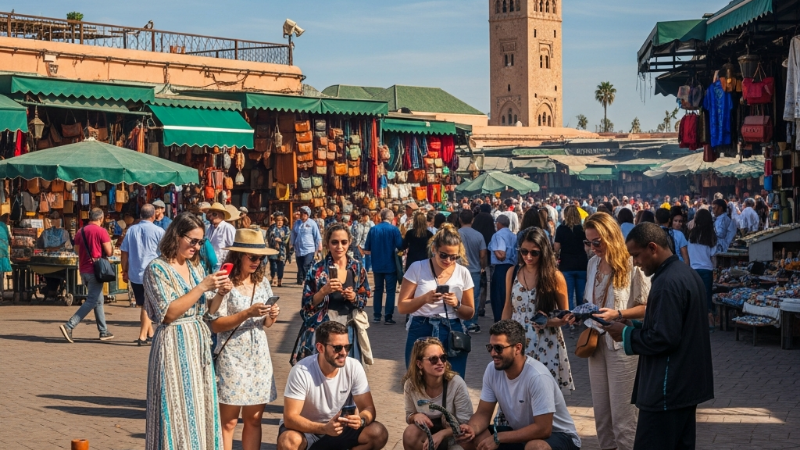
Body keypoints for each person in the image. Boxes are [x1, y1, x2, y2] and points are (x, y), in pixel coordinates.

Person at [605, 222, 714, 450]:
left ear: (652, 247)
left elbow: (664, 338)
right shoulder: (685, 273)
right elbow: (671, 325)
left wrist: (625, 334)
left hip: (667, 388)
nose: (635, 262)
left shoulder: (667, 282)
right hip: (685, 386)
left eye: (636, 255)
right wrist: (633, 325)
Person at [142, 212, 233, 450]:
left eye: (201, 242)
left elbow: (207, 311)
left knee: (199, 407)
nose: (197, 247)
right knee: (174, 408)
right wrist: (202, 286)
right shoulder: (157, 269)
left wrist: (220, 293)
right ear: (176, 236)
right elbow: (168, 313)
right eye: (192, 241)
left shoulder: (195, 267)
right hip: (173, 343)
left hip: (197, 345)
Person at [207, 228, 280, 450]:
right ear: (238, 256)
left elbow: (265, 324)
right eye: (253, 257)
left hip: (258, 358)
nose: (258, 262)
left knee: (254, 420)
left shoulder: (262, 282)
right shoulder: (224, 282)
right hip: (232, 356)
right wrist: (247, 313)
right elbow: (214, 324)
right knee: (228, 422)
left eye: (261, 258)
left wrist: (271, 315)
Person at [582, 213, 650, 450]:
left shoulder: (632, 264)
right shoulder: (592, 264)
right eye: (588, 242)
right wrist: (577, 314)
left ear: (611, 236)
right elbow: (591, 302)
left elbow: (646, 307)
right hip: (595, 343)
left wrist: (618, 313)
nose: (593, 248)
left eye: (597, 242)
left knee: (624, 418)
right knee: (602, 416)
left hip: (622, 345)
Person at [457, 320, 581, 450]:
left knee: (536, 447)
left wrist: (499, 437)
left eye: (498, 348)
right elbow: (483, 413)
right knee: (473, 438)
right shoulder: (492, 369)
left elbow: (543, 429)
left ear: (517, 348)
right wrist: (472, 429)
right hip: (521, 431)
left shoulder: (537, 376)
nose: (493, 353)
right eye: (490, 347)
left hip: (559, 436)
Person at [278, 321, 389, 450]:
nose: (344, 352)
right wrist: (324, 428)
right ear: (320, 348)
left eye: (347, 347)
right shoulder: (301, 371)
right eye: (337, 348)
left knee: (378, 432)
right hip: (305, 430)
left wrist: (362, 420)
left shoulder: (354, 367)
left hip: (336, 428)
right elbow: (290, 418)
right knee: (289, 441)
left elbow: (368, 407)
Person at [502, 227, 575, 392]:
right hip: (517, 341)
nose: (528, 256)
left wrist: (548, 322)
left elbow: (566, 316)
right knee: (516, 392)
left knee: (543, 394)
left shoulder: (554, 276)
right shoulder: (512, 272)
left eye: (534, 253)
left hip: (546, 342)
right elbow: (508, 307)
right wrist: (500, 338)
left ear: (544, 251)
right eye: (524, 251)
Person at [398, 224, 475, 378]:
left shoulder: (463, 272)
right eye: (444, 255)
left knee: (453, 381)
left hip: (451, 328)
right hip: (421, 327)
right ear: (434, 249)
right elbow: (402, 307)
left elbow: (469, 312)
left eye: (454, 257)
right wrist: (424, 299)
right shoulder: (417, 268)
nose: (448, 260)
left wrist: (456, 304)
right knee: (418, 380)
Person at [295, 223, 372, 366]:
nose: (339, 247)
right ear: (327, 243)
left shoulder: (357, 267)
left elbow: (364, 297)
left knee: (347, 373)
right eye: (334, 242)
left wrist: (354, 297)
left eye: (344, 242)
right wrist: (323, 291)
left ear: (349, 242)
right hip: (323, 330)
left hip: (348, 330)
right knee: (323, 374)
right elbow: (306, 306)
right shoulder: (317, 269)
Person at [402, 337, 474, 450]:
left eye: (443, 358)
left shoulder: (456, 383)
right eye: (433, 359)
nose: (440, 363)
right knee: (410, 433)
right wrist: (415, 416)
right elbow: (409, 415)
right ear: (419, 364)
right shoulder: (411, 385)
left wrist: (442, 434)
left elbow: (466, 423)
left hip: (454, 437)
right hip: (426, 436)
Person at [59, 208, 114, 343]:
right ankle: (69, 325)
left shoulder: (81, 231)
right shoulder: (101, 231)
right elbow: (109, 251)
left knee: (98, 300)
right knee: (91, 301)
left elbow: (77, 250)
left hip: (84, 269)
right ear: (101, 219)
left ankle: (103, 331)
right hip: (96, 270)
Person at [121, 204, 165, 346]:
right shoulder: (159, 231)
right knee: (147, 305)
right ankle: (142, 336)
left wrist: (124, 270)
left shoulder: (131, 230)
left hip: (135, 273)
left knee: (144, 304)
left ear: (141, 215)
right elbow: (166, 252)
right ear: (153, 215)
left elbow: (124, 252)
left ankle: (150, 334)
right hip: (152, 273)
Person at [364, 208, 403, 324]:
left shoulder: (373, 229)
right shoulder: (394, 230)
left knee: (378, 289)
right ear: (391, 218)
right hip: (391, 264)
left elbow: (367, 247)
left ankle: (376, 315)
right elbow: (400, 245)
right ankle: (388, 316)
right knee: (390, 291)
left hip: (377, 264)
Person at [687, 209, 721, 331]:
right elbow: (713, 255)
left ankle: (696, 323)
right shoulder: (711, 235)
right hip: (707, 269)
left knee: (695, 296)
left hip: (694, 269)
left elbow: (689, 252)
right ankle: (710, 322)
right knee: (706, 295)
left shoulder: (692, 234)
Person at [459, 209, 488, 334]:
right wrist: (483, 266)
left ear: (460, 220)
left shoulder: (456, 234)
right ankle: (471, 322)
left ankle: (460, 320)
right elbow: (482, 254)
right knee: (474, 297)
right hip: (474, 270)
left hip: (458, 270)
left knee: (459, 296)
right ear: (472, 220)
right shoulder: (479, 235)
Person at [554, 205, 588, 310]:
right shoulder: (583, 229)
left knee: (567, 296)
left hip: (566, 264)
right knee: (582, 296)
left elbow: (556, 247)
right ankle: (582, 316)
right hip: (582, 264)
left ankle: (569, 316)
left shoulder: (561, 229)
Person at [37, 211, 73, 300]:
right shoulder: (46, 233)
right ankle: (52, 289)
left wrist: (51, 249)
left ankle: (52, 290)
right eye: (53, 218)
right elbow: (40, 244)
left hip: (57, 262)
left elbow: (67, 246)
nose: (55, 220)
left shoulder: (64, 233)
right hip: (51, 262)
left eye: (56, 218)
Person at [487, 214, 517, 322]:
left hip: (501, 268)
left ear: (499, 224)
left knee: (499, 297)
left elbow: (501, 255)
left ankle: (500, 320)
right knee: (509, 295)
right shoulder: (513, 236)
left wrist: (495, 251)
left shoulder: (498, 235)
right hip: (512, 267)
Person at [292, 206, 322, 285]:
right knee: (300, 266)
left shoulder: (312, 223)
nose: (303, 215)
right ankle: (301, 280)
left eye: (305, 213)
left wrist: (319, 246)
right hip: (298, 249)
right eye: (301, 213)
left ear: (308, 214)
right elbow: (293, 234)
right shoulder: (297, 223)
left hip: (309, 249)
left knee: (306, 265)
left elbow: (317, 236)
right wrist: (292, 244)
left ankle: (307, 280)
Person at [267, 212, 291, 287]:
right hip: (273, 249)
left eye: (281, 220)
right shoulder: (272, 228)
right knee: (273, 265)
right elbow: (268, 237)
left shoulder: (286, 228)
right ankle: (273, 278)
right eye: (278, 220)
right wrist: (274, 240)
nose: (280, 222)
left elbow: (287, 238)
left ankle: (280, 279)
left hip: (282, 250)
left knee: (281, 265)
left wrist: (281, 240)